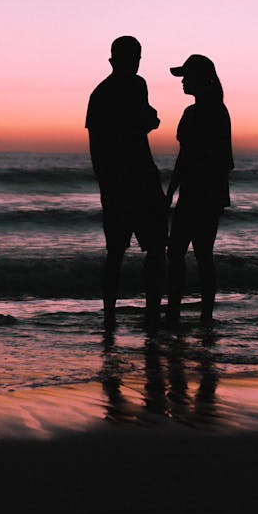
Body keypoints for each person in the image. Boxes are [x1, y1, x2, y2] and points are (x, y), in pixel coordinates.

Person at [86, 36, 167, 330]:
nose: (136, 63)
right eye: (134, 58)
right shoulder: (134, 84)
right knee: (154, 250)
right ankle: (150, 313)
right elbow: (144, 121)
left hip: (119, 183)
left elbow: (97, 145)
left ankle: (111, 315)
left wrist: (105, 185)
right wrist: (149, 120)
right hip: (139, 179)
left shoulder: (101, 93)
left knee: (119, 253)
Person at [165, 54, 234, 326]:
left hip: (200, 194)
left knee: (186, 254)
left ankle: (182, 315)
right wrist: (173, 191)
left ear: (199, 78)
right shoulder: (207, 111)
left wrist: (174, 191)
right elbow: (188, 157)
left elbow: (197, 158)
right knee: (197, 254)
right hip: (203, 193)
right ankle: (197, 315)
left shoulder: (208, 112)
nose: (182, 81)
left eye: (186, 76)